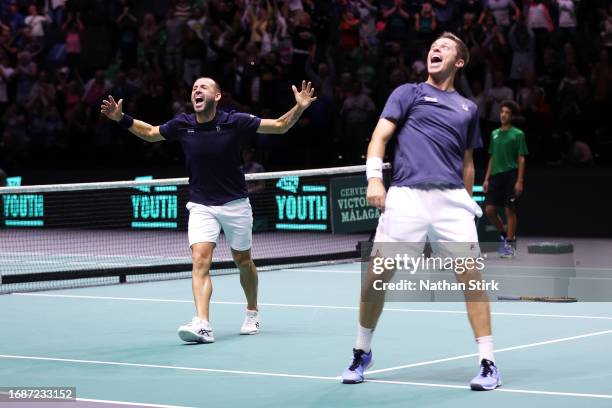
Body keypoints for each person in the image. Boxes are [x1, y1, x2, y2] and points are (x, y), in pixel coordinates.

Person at [340, 32, 501, 391]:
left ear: (459, 61)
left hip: (450, 201)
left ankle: (488, 363)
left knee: (471, 280)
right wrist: (374, 180)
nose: (435, 50)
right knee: (376, 278)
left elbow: (468, 161)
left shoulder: (468, 108)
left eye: (444, 48)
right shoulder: (407, 93)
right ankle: (361, 350)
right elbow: (379, 138)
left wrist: (469, 196)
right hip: (406, 196)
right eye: (432, 47)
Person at [100, 78, 316, 343]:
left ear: (217, 95)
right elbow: (151, 133)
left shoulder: (234, 121)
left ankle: (252, 311)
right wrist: (122, 118)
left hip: (235, 203)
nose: (196, 90)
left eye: (203, 87)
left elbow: (280, 127)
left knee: (243, 261)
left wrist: (300, 107)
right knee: (200, 260)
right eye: (193, 88)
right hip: (202, 204)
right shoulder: (183, 123)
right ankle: (203, 323)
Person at [483, 100, 527, 258]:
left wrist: (520, 181)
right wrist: (487, 179)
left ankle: (509, 243)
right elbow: (492, 157)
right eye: (502, 112)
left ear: (512, 116)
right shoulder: (494, 134)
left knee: (510, 209)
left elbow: (521, 158)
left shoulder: (518, 134)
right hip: (495, 176)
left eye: (507, 112)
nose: (503, 115)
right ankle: (503, 233)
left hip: (511, 175)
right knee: (489, 210)